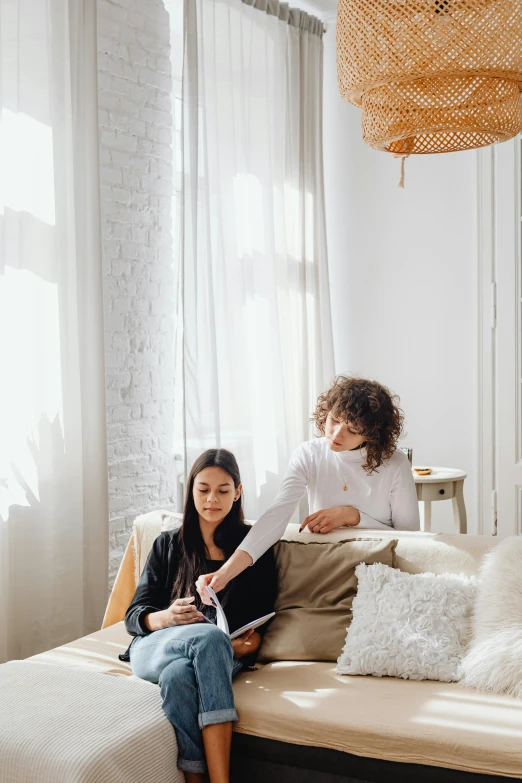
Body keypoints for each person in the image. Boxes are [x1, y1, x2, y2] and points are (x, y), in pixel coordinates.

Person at [122, 449, 277, 783]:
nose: (212, 499)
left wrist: (246, 646)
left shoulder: (254, 551)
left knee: (179, 677)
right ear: (190, 490)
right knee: (207, 639)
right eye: (203, 489)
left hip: (220, 654)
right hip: (156, 647)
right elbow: (134, 617)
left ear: (238, 492)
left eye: (223, 490)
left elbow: (264, 619)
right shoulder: (167, 545)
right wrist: (167, 617)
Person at [197, 375, 420, 604]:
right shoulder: (309, 454)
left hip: (378, 572)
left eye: (352, 430)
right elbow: (276, 516)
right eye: (334, 420)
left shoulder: (395, 464)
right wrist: (224, 573)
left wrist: (353, 517)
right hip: (326, 572)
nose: (335, 434)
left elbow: (411, 536)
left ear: (372, 435)